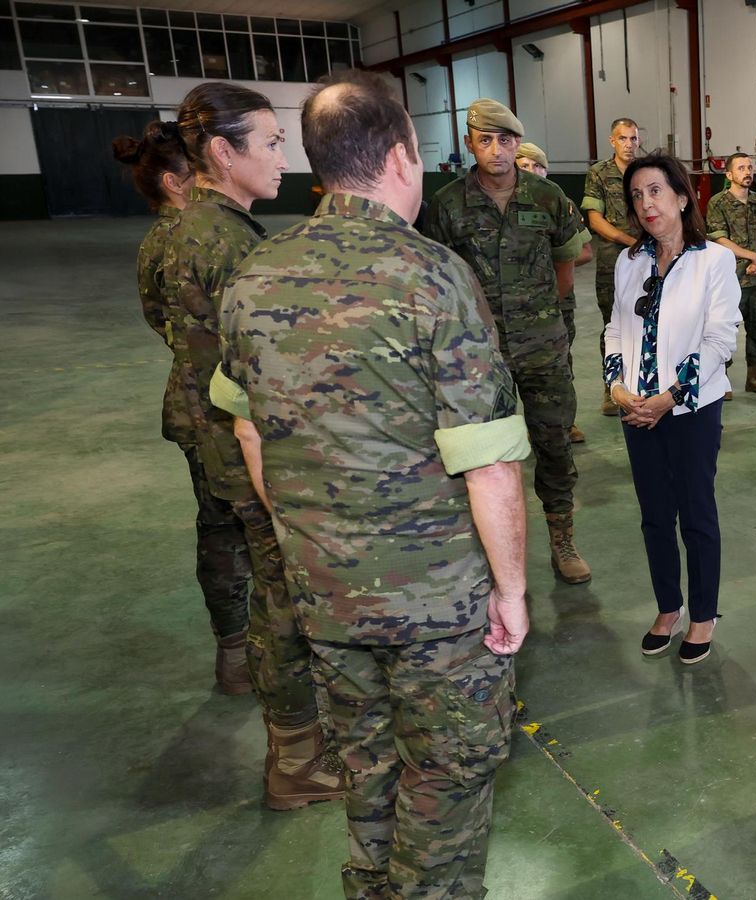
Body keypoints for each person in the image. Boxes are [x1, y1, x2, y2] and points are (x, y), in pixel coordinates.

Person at [211, 70, 531, 899]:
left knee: (367, 765)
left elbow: (247, 428)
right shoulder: (433, 276)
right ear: (399, 156)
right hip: (438, 605)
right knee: (450, 779)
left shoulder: (253, 277)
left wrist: (305, 543)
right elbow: (489, 460)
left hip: (323, 594)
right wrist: (512, 589)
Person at [163, 81, 342, 810]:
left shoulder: (175, 229)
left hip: (203, 430)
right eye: (269, 142)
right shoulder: (234, 244)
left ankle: (278, 722)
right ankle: (296, 759)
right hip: (245, 442)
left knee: (252, 575)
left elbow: (160, 316)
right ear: (220, 151)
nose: (282, 156)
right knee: (285, 598)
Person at [423, 100, 593, 584]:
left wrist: (545, 315)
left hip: (542, 345)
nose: (496, 150)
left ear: (518, 143)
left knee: (555, 443)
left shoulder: (547, 197)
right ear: (470, 145)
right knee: (481, 455)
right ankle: (488, 551)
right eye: (485, 141)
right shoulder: (448, 204)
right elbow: (442, 278)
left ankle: (562, 537)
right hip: (478, 354)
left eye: (505, 140)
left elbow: (567, 260)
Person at [114, 120, 254, 694]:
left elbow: (160, 323)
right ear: (177, 181)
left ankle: (233, 653)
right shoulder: (213, 235)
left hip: (190, 404)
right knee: (260, 532)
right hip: (230, 409)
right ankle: (271, 660)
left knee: (217, 529)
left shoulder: (156, 241)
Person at [603, 151, 740, 665]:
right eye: (637, 195)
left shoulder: (715, 260)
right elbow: (616, 329)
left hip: (689, 412)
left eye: (656, 190)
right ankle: (668, 608)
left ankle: (702, 616)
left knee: (696, 515)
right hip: (637, 410)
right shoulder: (629, 261)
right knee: (654, 516)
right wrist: (618, 388)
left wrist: (669, 398)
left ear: (683, 198)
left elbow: (719, 340)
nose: (646, 203)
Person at [518, 140, 595, 444]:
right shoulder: (501, 209)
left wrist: (551, 262)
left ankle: (566, 422)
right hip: (514, 304)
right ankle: (526, 424)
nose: (532, 171)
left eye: (538, 165)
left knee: (561, 365)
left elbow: (586, 251)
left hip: (557, 301)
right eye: (524, 165)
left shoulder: (562, 204)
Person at [706, 151, 756, 396]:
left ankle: (755, 377)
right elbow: (720, 239)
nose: (747, 172)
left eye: (749, 167)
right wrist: (752, 256)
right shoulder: (718, 203)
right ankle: (720, 379)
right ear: (729, 174)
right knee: (724, 330)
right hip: (730, 279)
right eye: (741, 168)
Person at [584, 117, 643, 415]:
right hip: (613, 259)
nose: (629, 145)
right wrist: (629, 240)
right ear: (612, 141)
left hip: (648, 257)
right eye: (623, 139)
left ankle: (645, 381)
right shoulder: (598, 173)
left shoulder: (646, 172)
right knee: (613, 325)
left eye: (634, 139)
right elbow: (595, 220)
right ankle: (612, 387)